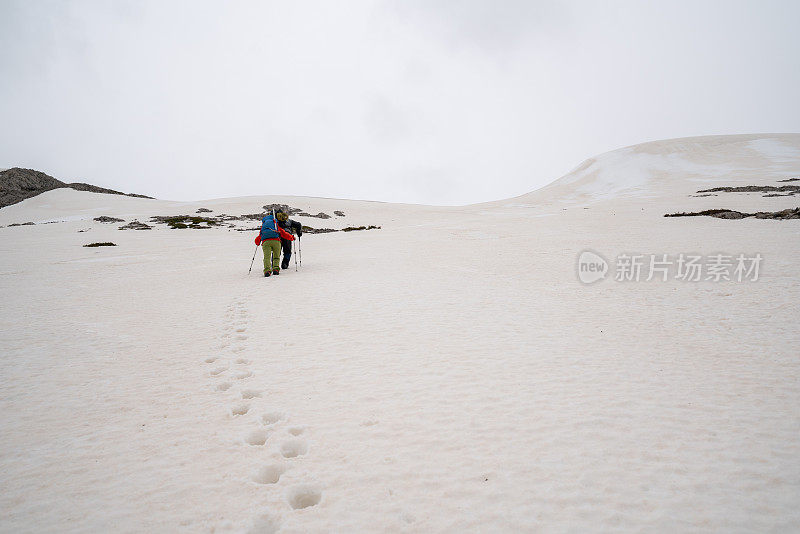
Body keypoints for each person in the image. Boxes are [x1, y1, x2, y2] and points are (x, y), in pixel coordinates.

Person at [255, 210, 294, 277]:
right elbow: (282, 233)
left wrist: (257, 242)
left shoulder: (264, 225)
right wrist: (291, 237)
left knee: (267, 257)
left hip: (266, 242)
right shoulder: (275, 223)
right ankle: (275, 269)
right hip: (276, 241)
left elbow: (260, 235)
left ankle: (267, 270)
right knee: (276, 256)